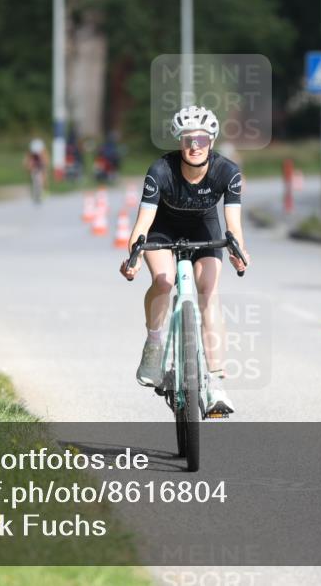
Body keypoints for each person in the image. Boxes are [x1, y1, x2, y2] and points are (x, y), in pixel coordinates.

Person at [119, 105, 249, 415]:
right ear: (179, 142)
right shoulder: (160, 171)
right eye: (188, 139)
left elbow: (234, 224)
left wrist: (239, 253)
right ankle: (153, 343)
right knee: (163, 282)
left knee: (208, 293)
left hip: (206, 228)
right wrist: (134, 256)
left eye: (201, 140)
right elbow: (142, 224)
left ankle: (216, 382)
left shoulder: (228, 172)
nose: (194, 146)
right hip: (163, 230)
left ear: (211, 142)